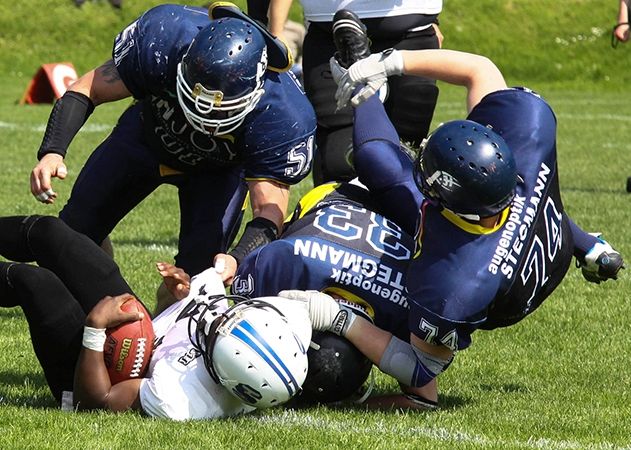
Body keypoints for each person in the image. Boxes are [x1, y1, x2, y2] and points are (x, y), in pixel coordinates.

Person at [276, 10, 625, 406]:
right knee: (387, 163)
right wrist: (387, 63)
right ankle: (365, 75)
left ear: (445, 207)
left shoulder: (451, 286)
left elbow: (421, 378)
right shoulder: (527, 134)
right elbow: (480, 70)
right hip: (547, 241)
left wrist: (337, 318)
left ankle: (365, 94)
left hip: (502, 299)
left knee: (376, 161)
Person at [29, 3, 317, 303]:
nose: (203, 113)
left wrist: (238, 257)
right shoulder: (166, 39)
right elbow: (88, 88)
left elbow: (269, 209)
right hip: (145, 140)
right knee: (71, 237)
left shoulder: (283, 113)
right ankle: (104, 300)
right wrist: (52, 151)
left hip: (217, 175)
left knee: (193, 287)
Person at [0, 215, 311, 420]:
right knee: (50, 233)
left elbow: (94, 403)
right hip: (140, 329)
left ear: (221, 373)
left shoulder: (182, 397)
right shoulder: (282, 325)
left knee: (35, 283)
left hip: (105, 370)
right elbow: (326, 312)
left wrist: (95, 328)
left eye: (216, 330)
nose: (217, 318)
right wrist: (178, 294)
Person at [230, 179, 429, 406]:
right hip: (369, 203)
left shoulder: (282, 266)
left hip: (373, 205)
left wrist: (340, 320)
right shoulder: (406, 301)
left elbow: (424, 396)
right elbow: (424, 396)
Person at [248, 1, 443, 184]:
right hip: (329, 33)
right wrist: (271, 30)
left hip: (411, 30)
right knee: (339, 161)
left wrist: (432, 19)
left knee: (406, 155)